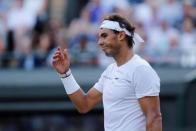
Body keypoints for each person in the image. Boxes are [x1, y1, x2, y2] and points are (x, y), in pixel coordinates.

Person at [52, 14, 162, 131]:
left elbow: (154, 118)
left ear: (121, 35)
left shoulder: (140, 69)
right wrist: (65, 74)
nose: (99, 42)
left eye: (104, 36)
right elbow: (84, 104)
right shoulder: (110, 70)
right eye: (99, 37)